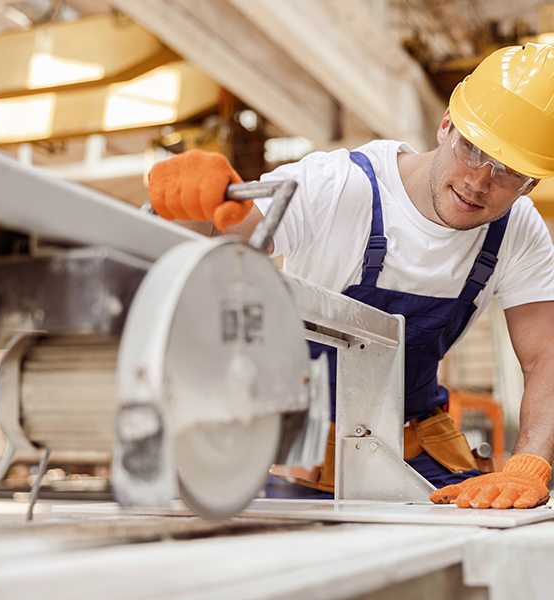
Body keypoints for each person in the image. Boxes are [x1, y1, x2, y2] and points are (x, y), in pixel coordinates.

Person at [148, 43, 554, 509]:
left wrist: (530, 464)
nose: (478, 181)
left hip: (412, 446)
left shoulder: (518, 231)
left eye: (508, 172)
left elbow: (545, 355)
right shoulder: (339, 185)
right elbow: (221, 236)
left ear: (531, 184)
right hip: (290, 448)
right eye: (472, 149)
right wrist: (188, 203)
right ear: (446, 124)